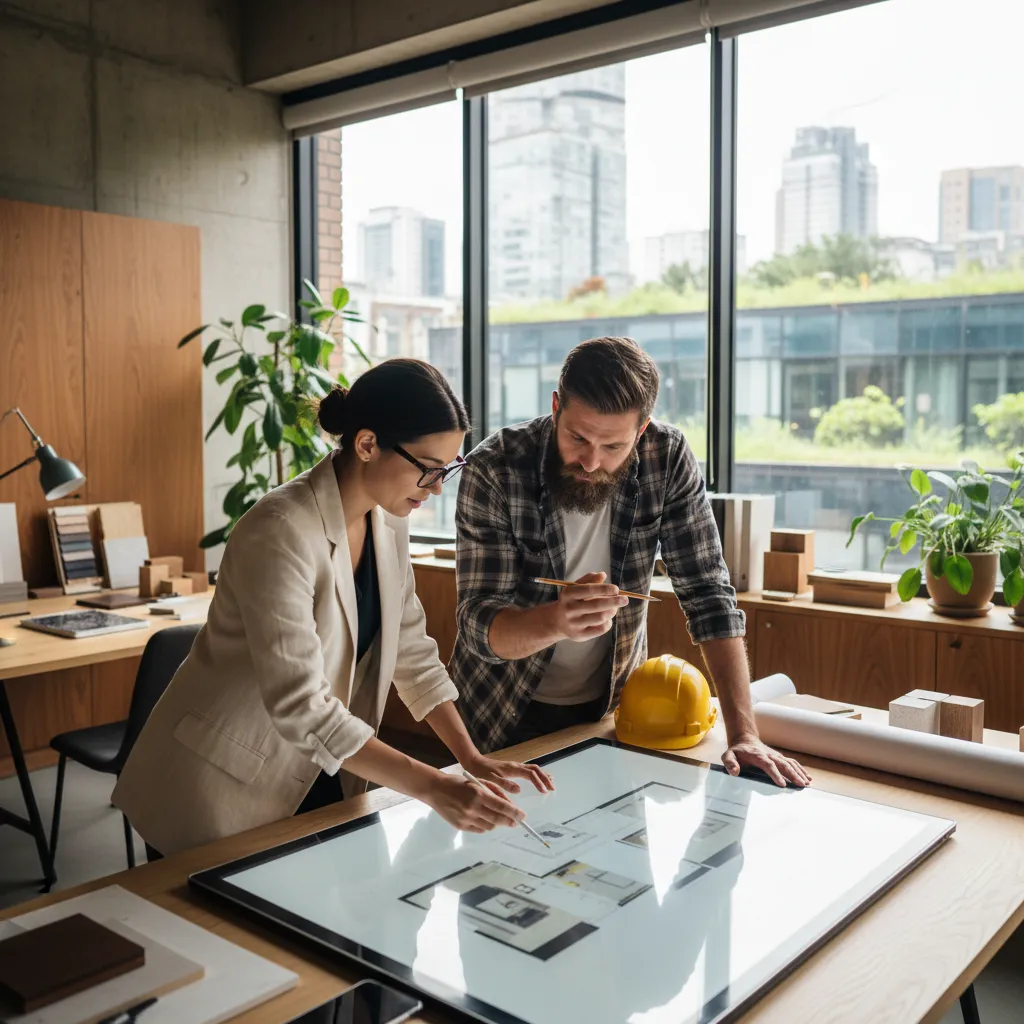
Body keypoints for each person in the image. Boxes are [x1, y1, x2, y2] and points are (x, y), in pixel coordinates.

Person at [114, 358, 552, 858]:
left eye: (447, 470)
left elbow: (412, 651)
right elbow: (301, 704)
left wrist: (469, 757)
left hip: (322, 766)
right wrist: (433, 786)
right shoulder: (280, 530)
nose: (435, 490)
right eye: (428, 470)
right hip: (221, 783)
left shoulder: (389, 519)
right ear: (367, 445)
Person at [450, 336, 810, 788]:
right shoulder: (495, 467)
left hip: (612, 710)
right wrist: (556, 620)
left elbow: (709, 594)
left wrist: (744, 735)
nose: (591, 461)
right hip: (498, 713)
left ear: (641, 431)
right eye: (577, 437)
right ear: (556, 405)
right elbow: (478, 626)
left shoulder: (667, 457)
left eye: (613, 446)